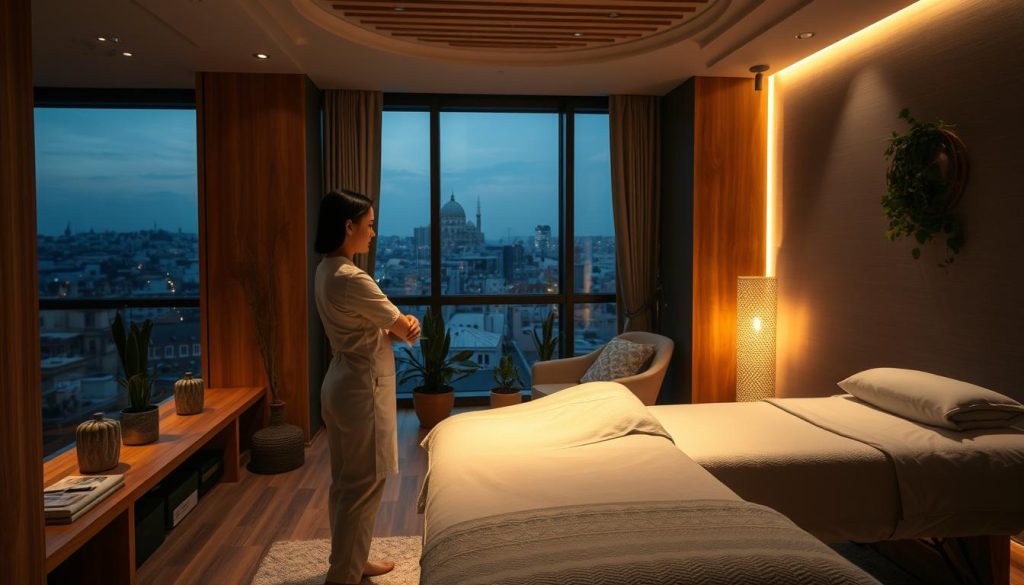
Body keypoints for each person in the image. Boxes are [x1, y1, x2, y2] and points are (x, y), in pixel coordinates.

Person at [312, 189, 420, 585]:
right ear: (349, 226)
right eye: (370, 225)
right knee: (364, 485)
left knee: (346, 484)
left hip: (340, 383)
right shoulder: (351, 277)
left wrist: (393, 327)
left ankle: (352, 560)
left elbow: (370, 330)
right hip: (361, 390)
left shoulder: (326, 270)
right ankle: (343, 574)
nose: (373, 233)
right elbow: (402, 329)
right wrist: (408, 323)